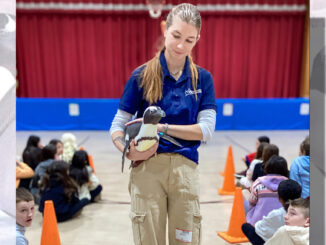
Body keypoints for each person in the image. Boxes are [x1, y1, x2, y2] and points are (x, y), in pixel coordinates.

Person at [110, 3, 217, 244]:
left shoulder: (203, 79)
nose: (181, 45)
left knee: (185, 239)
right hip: (147, 169)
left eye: (189, 40)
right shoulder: (141, 75)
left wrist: (163, 128)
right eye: (176, 36)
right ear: (164, 29)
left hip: (185, 170)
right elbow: (117, 125)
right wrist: (127, 149)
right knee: (148, 239)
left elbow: (206, 130)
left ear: (198, 38)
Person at [241, 179, 302, 245]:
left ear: (279, 198)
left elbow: (259, 228)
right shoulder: (306, 211)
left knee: (246, 227)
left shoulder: (277, 214)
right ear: (300, 196)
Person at [245, 155, 289, 225]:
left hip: (259, 225)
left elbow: (252, 202)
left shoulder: (258, 183)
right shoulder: (289, 185)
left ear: (267, 167)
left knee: (245, 201)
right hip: (282, 225)